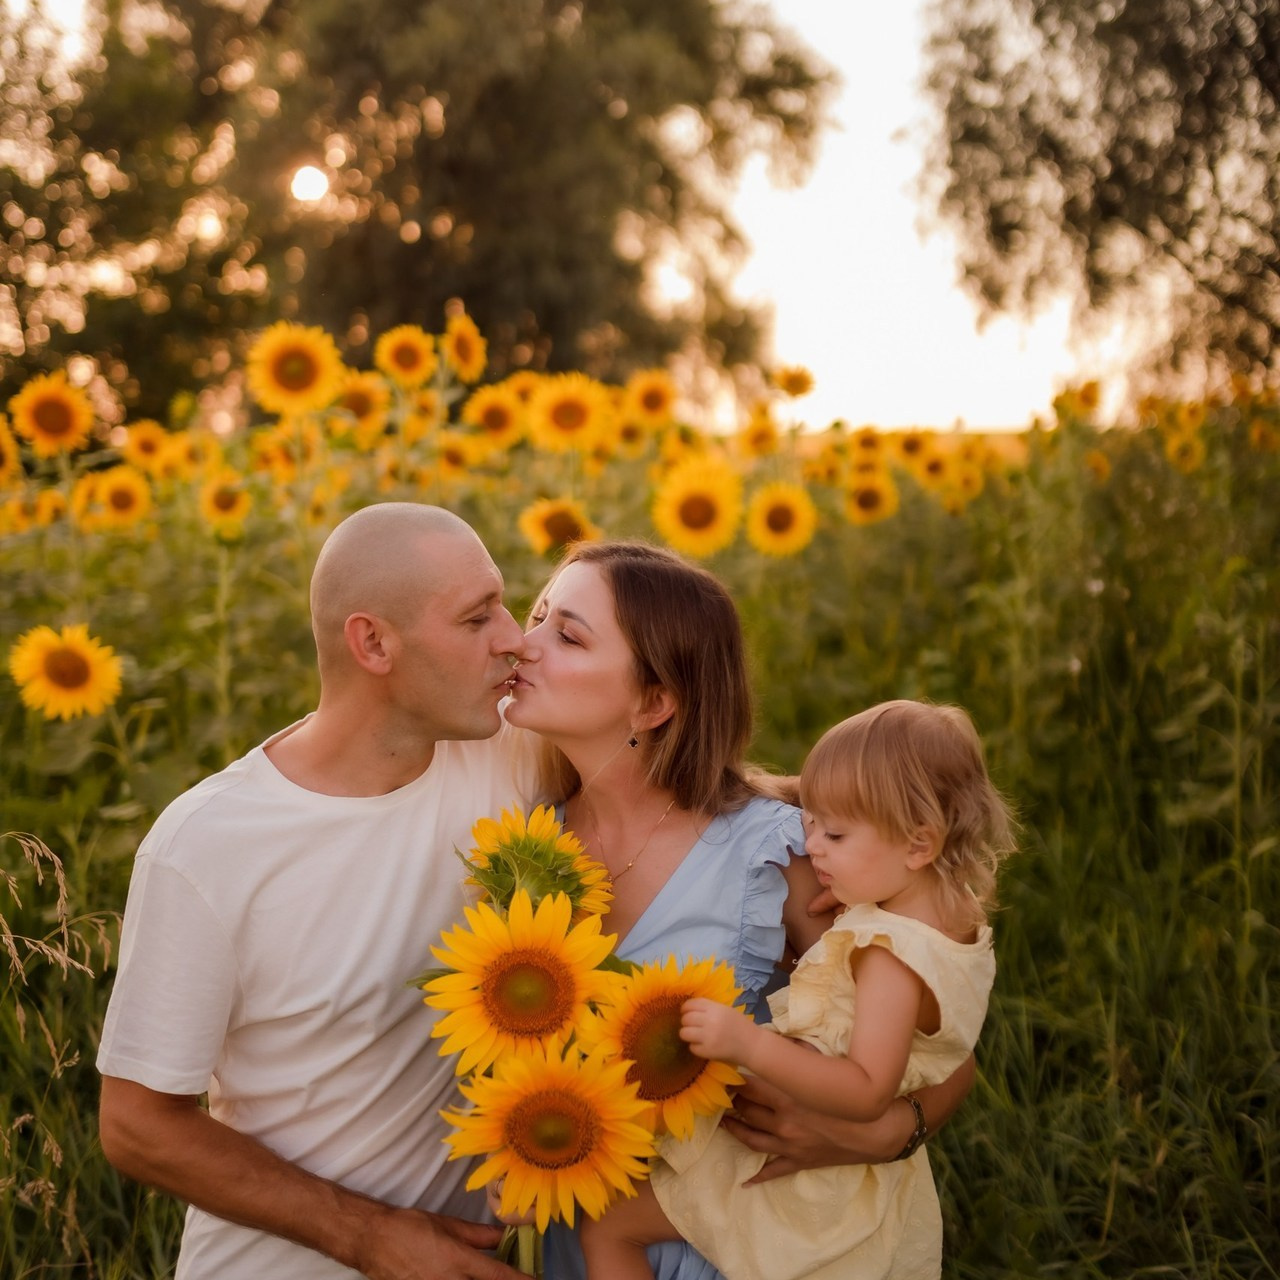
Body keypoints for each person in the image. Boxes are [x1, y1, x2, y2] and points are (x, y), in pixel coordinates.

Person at [500, 545, 977, 1280]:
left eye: (566, 634)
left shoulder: (774, 856)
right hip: (588, 1243)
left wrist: (882, 1134)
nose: (520, 645)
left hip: (741, 1245)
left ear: (654, 704)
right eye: (537, 617)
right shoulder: (524, 847)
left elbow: (938, 1048)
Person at [96, 503, 543, 1279]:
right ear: (373, 642)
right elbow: (136, 1125)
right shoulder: (207, 845)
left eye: (502, 604)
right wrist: (369, 1237)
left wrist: (819, 832)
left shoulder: (511, 756)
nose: (514, 637)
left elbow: (696, 795)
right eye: (477, 618)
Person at [578, 699, 1017, 1280]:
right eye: (811, 825)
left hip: (805, 1171)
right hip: (829, 1165)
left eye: (835, 833)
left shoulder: (888, 957)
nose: (813, 848)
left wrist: (749, 1045)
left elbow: (865, 1090)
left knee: (609, 1225)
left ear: (919, 845)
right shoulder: (950, 926)